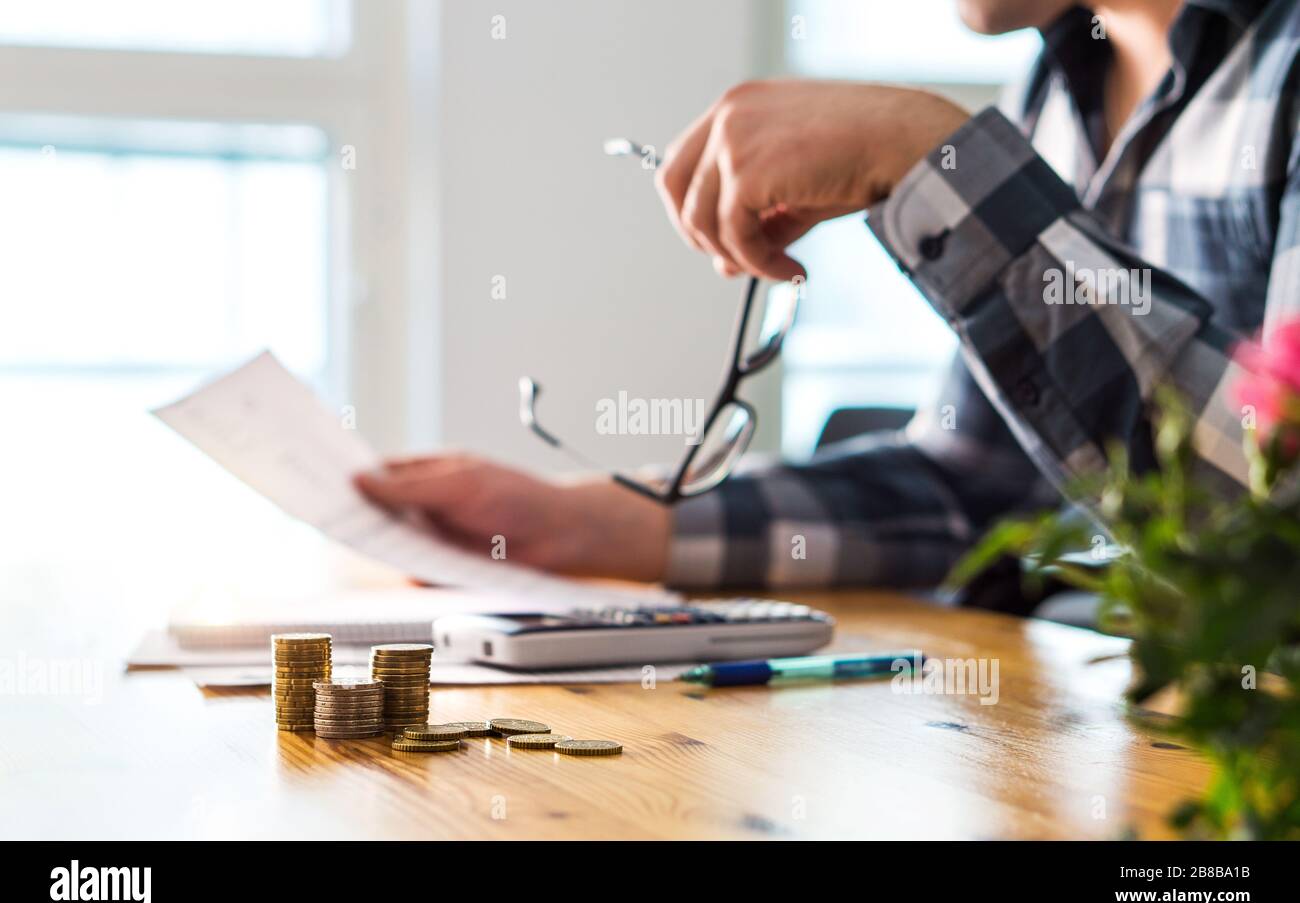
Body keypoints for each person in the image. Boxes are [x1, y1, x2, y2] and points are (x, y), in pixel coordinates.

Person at [356, 0, 1300, 591]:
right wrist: (583, 522)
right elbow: (979, 489)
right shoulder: (1058, 86)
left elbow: (1273, 530)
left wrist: (934, 161)